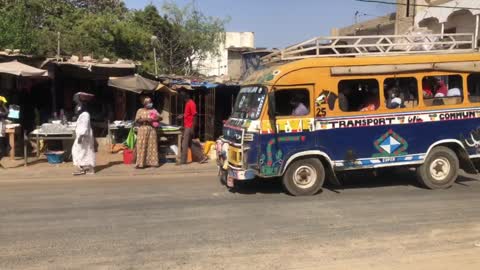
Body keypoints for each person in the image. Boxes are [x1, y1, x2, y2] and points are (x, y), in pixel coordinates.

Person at [178, 91, 208, 165]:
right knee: (190, 143)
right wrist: (183, 115)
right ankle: (201, 157)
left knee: (184, 144)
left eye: (181, 97)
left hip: (189, 126)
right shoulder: (187, 103)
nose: (181, 99)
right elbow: (189, 114)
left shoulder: (191, 103)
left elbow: (195, 116)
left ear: (185, 96)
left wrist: (193, 127)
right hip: (187, 125)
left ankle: (183, 161)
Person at [72, 92, 95, 176]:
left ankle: (82, 168)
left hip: (84, 136)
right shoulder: (83, 114)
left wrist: (80, 136)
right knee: (85, 151)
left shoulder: (85, 114)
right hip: (84, 135)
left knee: (79, 151)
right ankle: (88, 169)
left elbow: (84, 126)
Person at [135, 96, 160, 168]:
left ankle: (152, 163)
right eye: (149, 102)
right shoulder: (140, 110)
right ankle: (141, 163)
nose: (150, 104)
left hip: (151, 129)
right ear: (144, 103)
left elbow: (160, 118)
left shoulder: (154, 110)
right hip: (142, 129)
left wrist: (155, 118)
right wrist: (145, 119)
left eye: (151, 102)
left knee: (152, 146)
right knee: (141, 146)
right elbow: (137, 120)